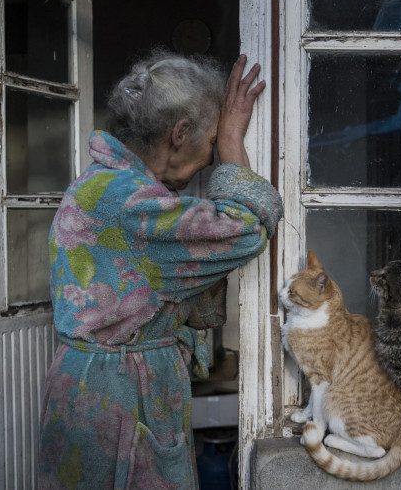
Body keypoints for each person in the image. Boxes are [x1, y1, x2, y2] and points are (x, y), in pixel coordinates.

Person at [37, 49, 283, 489]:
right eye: (209, 146)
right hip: (119, 397)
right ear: (180, 132)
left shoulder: (99, 184)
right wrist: (232, 141)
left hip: (92, 388)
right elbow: (247, 226)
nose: (209, 162)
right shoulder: (133, 204)